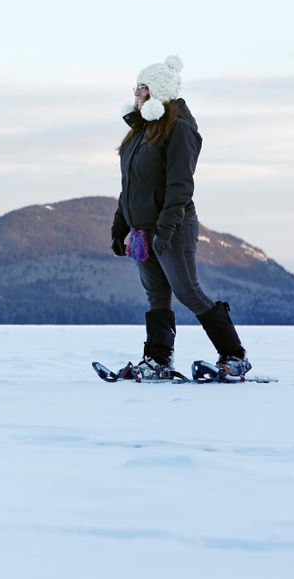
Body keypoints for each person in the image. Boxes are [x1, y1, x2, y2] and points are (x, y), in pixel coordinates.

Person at [110, 55, 252, 379]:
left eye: (142, 88)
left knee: (188, 291)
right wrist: (121, 226)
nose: (136, 92)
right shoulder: (139, 134)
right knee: (156, 296)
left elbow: (180, 186)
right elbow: (129, 187)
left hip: (173, 226)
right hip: (143, 230)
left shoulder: (178, 129)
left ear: (157, 92)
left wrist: (166, 228)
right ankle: (158, 360)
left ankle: (235, 355)